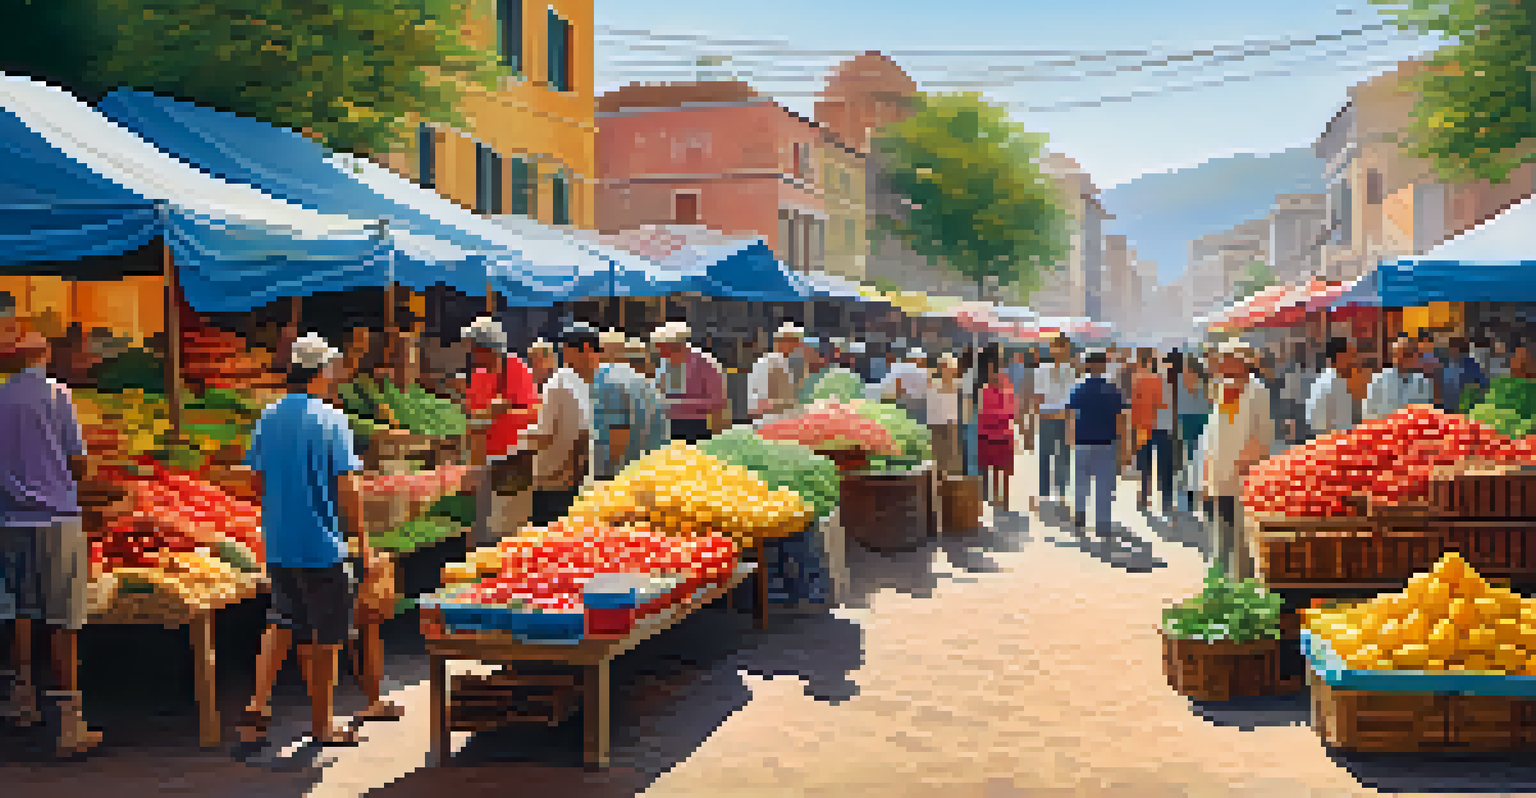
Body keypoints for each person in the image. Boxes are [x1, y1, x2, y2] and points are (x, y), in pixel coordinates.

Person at [241, 333, 383, 747]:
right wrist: (362, 539)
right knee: (328, 638)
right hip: (322, 545)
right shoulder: (332, 418)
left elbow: (255, 481)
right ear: (321, 372)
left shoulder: (267, 416)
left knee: (282, 618)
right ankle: (322, 725)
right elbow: (348, 489)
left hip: (280, 543)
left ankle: (258, 703)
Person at [0, 320, 100, 756]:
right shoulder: (58, 395)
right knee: (62, 619)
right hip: (56, 518)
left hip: (9, 520)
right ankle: (68, 724)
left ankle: (20, 698)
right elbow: (77, 463)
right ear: (42, 356)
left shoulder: (0, 398)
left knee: (20, 609)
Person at [462, 318, 539, 547]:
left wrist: (506, 411)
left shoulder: (516, 368)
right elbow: (473, 416)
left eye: (475, 348)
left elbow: (534, 412)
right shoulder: (477, 375)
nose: (473, 354)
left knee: (511, 522)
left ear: (489, 348)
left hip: (514, 457)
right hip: (485, 457)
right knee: (484, 520)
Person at [1202, 341, 1274, 580]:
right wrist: (1206, 472)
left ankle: (1241, 584)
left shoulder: (1258, 391)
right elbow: (1213, 433)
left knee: (1243, 537)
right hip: (1220, 473)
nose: (1220, 364)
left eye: (1226, 359)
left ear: (1242, 363)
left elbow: (1262, 434)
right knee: (1222, 532)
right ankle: (1220, 582)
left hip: (1244, 475)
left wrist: (1248, 467)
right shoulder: (1222, 390)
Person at [521, 324, 598, 525]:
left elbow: (545, 434)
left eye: (566, 349)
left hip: (553, 478)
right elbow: (584, 431)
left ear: (585, 349)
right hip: (578, 476)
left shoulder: (558, 383)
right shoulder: (586, 382)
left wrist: (520, 437)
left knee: (546, 538)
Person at [1067, 349, 1129, 538]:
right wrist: (1125, 446)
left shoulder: (1079, 387)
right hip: (1107, 442)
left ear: (1087, 365)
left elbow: (1070, 414)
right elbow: (1122, 420)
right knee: (1104, 484)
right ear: (1103, 365)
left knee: (1080, 481)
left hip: (1082, 441)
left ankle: (1079, 515)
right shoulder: (1113, 389)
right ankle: (1102, 523)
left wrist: (1070, 438)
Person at [592, 331, 658, 480]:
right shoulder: (647, 384)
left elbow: (618, 433)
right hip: (649, 470)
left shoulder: (604, 378)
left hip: (618, 475)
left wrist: (607, 478)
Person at [652, 322, 727, 444]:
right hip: (665, 425)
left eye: (663, 348)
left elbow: (717, 401)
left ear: (678, 346)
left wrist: (681, 404)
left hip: (695, 427)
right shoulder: (663, 363)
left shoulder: (704, 361)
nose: (661, 353)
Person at [1033, 335, 1078, 514]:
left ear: (1067, 350)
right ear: (1051, 349)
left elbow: (1073, 399)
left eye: (1064, 347)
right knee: (1045, 456)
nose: (1060, 351)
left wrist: (1071, 421)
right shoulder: (1042, 370)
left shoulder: (1071, 371)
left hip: (1064, 418)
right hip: (1046, 418)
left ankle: (1061, 493)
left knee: (1063, 456)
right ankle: (1044, 494)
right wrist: (1035, 419)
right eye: (1057, 347)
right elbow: (1038, 398)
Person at [1132, 350, 1175, 518]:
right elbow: (1167, 404)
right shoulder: (1164, 380)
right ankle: (1166, 501)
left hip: (1144, 426)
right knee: (1165, 466)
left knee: (1145, 464)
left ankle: (1144, 497)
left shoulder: (1137, 380)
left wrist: (1133, 427)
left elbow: (1135, 405)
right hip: (1163, 426)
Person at [977, 348, 1016, 509]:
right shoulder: (983, 388)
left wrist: (994, 416)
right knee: (989, 470)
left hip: (1001, 435)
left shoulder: (1006, 387)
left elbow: (1009, 412)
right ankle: (991, 499)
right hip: (988, 435)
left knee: (1003, 472)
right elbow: (982, 413)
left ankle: (1004, 500)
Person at [1363, 337, 1436, 420]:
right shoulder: (1379, 380)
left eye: (1409, 354)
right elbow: (1368, 410)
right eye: (1402, 354)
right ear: (1394, 356)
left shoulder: (1422, 384)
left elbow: (1425, 412)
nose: (1405, 359)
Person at [1306, 337, 1359, 437]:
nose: (1353, 359)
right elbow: (1344, 425)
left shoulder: (1323, 380)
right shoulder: (1335, 383)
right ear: (1340, 356)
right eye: (1350, 354)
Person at [749, 323, 804, 419]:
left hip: (777, 421)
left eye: (797, 341)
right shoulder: (773, 362)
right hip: (770, 422)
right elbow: (761, 403)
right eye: (793, 340)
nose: (797, 345)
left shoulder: (782, 362)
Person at [927, 353, 964, 478]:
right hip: (936, 425)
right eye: (946, 367)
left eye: (952, 368)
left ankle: (946, 485)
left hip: (951, 425)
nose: (949, 371)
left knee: (950, 459)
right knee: (937, 459)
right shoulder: (934, 384)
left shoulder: (959, 385)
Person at [875, 348, 932, 424]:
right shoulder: (916, 370)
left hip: (891, 401)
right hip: (903, 402)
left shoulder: (898, 367)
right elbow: (898, 387)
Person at [1439, 337, 1486, 413]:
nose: (1449, 350)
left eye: (1451, 347)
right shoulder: (1448, 363)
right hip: (1448, 407)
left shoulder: (1470, 365)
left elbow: (1482, 384)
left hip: (1464, 408)